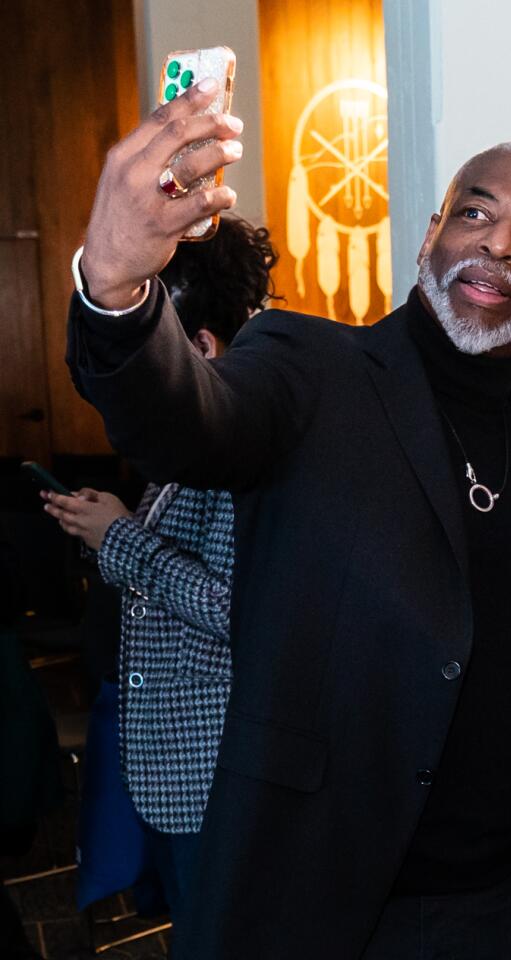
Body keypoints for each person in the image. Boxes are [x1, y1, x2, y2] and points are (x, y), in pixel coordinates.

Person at [65, 78, 511, 959]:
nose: (497, 244)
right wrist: (118, 289)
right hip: (310, 902)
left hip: (494, 913)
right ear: (432, 234)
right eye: (476, 213)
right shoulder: (312, 366)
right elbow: (187, 424)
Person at [42, 216, 276, 913]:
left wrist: (120, 539)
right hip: (177, 768)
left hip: (215, 777)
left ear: (200, 345)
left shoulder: (245, 444)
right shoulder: (189, 433)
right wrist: (113, 527)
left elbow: (239, 607)